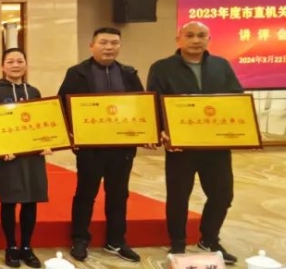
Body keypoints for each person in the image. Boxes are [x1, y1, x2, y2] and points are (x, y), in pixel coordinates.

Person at [147, 21, 241, 264]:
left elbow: (236, 99)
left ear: (209, 40)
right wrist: (160, 131)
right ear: (178, 40)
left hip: (216, 145)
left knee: (223, 194)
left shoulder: (221, 65)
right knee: (178, 196)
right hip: (181, 145)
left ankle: (209, 239)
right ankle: (178, 242)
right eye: (189, 35)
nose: (196, 40)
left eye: (201, 35)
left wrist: (242, 131)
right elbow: (153, 102)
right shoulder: (162, 67)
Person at [57, 28, 143, 263]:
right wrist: (70, 134)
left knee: (119, 194)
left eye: (114, 43)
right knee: (86, 193)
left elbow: (143, 106)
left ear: (120, 46)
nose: (109, 47)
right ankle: (79, 239)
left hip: (122, 148)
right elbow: (62, 105)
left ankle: (116, 241)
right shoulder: (77, 73)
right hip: (90, 148)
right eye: (103, 42)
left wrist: (147, 132)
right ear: (91, 45)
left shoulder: (128, 73)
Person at [0, 48, 49, 269]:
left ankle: (27, 246)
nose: (15, 65)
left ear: (26, 65)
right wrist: (1, 148)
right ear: (2, 66)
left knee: (31, 200)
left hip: (32, 157)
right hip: (7, 157)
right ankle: (11, 246)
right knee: (9, 200)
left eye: (20, 61)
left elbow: (42, 121)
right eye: (10, 61)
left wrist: (46, 142)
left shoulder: (34, 91)